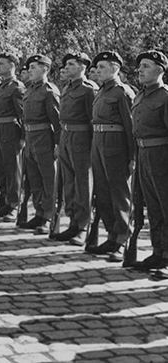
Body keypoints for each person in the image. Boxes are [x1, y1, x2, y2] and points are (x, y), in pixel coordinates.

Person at [86, 51, 135, 262]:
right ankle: (111, 235)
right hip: (98, 143)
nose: (98, 71)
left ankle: (123, 238)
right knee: (102, 192)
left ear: (116, 68)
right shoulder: (101, 91)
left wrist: (133, 156)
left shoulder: (122, 92)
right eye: (97, 68)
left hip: (115, 145)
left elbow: (131, 126)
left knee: (118, 192)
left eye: (103, 67)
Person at [53, 52, 98, 245]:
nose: (67, 67)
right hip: (66, 136)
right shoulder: (66, 88)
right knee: (69, 183)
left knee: (83, 183)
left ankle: (82, 226)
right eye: (67, 64)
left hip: (82, 138)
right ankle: (72, 222)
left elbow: (93, 120)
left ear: (83, 67)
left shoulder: (89, 90)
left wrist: (91, 146)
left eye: (72, 64)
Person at [130, 50, 168, 271]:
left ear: (160, 69)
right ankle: (157, 251)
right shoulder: (140, 96)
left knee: (165, 205)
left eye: (146, 66)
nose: (140, 70)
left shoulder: (165, 96)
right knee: (152, 207)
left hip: (161, 155)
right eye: (140, 66)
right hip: (143, 154)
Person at [19, 54, 60, 234]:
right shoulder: (29, 90)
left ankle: (48, 216)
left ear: (46, 69)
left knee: (47, 179)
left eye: (34, 67)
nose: (30, 70)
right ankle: (39, 212)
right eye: (29, 67)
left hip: (44, 137)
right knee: (34, 178)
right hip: (29, 137)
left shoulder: (49, 91)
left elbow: (57, 121)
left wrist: (58, 144)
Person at [0, 52, 25, 222]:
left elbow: (22, 114)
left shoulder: (16, 87)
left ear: (12, 65)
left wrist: (23, 138)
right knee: (1, 168)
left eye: (2, 63)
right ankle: (4, 200)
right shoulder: (1, 86)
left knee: (13, 169)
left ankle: (13, 204)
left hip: (11, 130)